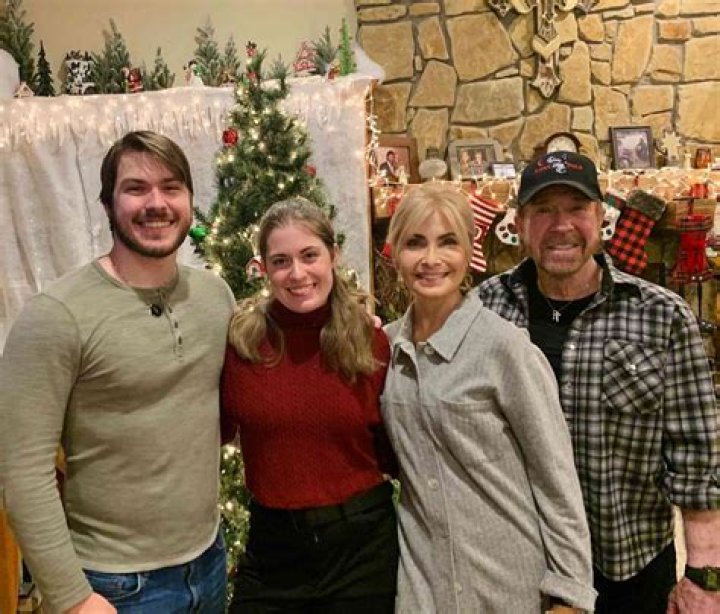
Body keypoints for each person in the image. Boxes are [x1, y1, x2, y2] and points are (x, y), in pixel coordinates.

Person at [0, 130, 236, 614]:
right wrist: (72, 596)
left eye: (171, 187)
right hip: (114, 585)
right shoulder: (56, 315)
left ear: (190, 201)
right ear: (108, 204)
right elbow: (22, 471)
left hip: (209, 561)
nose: (157, 203)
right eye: (136, 188)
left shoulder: (216, 297)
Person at [477, 151, 720, 614]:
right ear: (520, 223)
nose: (561, 225)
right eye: (544, 210)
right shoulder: (485, 308)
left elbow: (698, 457)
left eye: (576, 208)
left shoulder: (662, 315)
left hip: (628, 571)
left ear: (601, 218)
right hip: (519, 569)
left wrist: (704, 577)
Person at [382, 183, 596, 612]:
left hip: (506, 586)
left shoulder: (506, 349)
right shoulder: (383, 350)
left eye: (447, 242)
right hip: (424, 588)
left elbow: (555, 478)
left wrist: (570, 594)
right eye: (415, 243)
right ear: (395, 253)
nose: (431, 259)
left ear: (468, 251)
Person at [221, 197, 399, 613]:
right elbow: (214, 428)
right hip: (274, 549)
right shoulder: (243, 344)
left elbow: (395, 449)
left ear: (332, 255)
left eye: (309, 255)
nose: (297, 273)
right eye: (281, 261)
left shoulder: (371, 341)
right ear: (263, 268)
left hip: (362, 548)